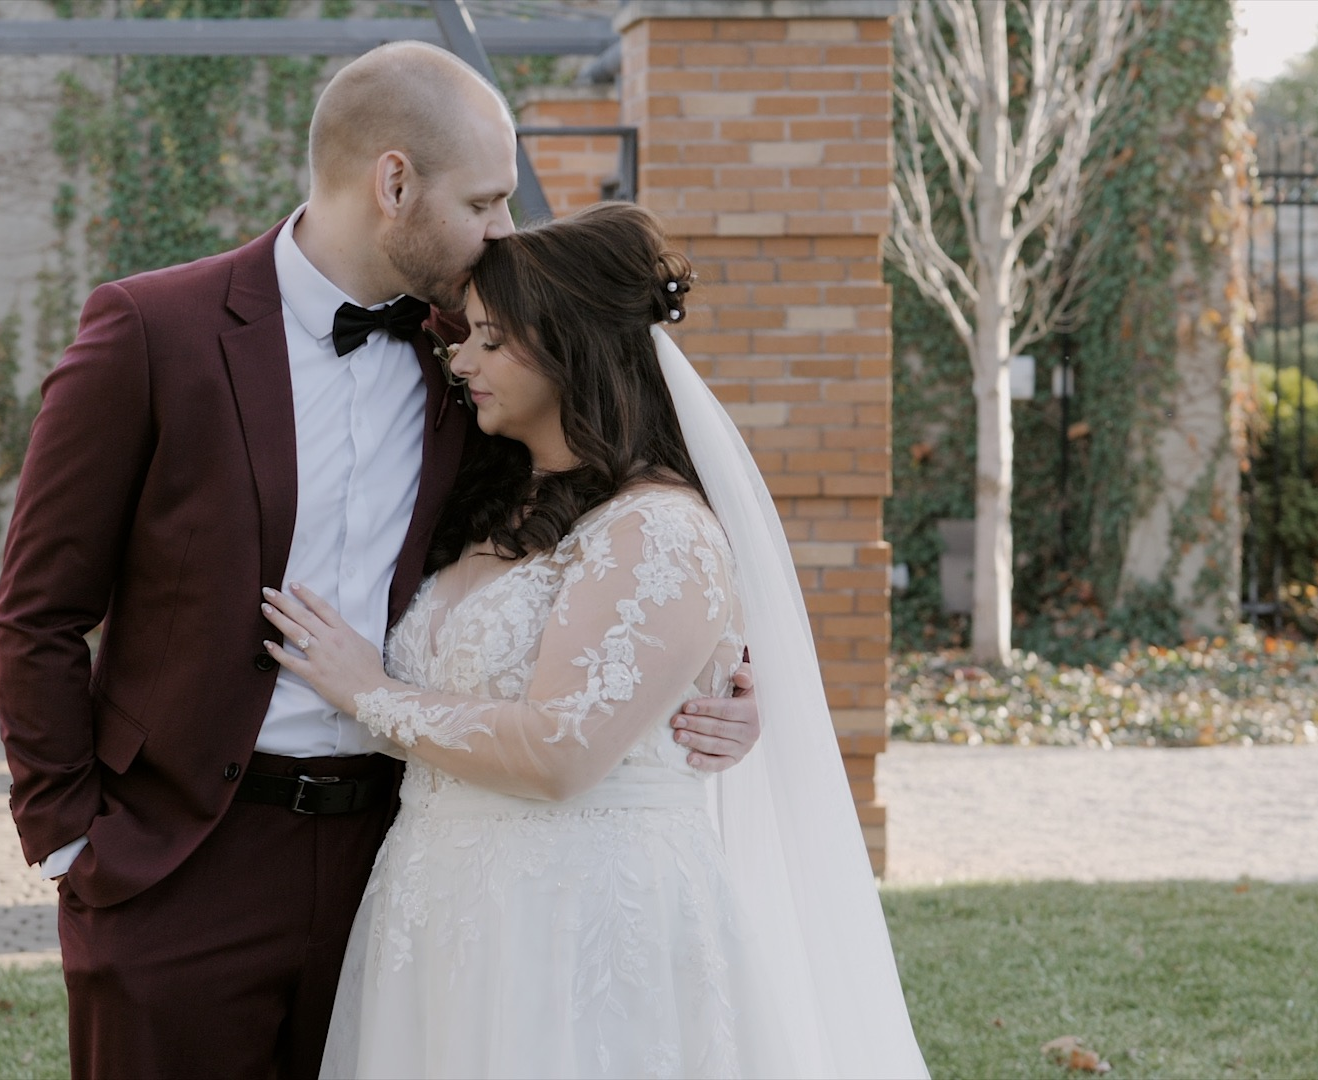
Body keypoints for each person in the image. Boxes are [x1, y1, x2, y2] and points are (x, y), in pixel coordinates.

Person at [0, 42, 762, 1080]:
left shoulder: (483, 355)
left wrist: (715, 680)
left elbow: (600, 527)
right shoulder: (152, 332)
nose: (503, 229)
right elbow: (37, 610)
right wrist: (73, 841)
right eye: (485, 201)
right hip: (181, 863)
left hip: (401, 856)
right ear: (394, 182)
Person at [259, 202, 929, 1079]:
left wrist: (367, 690)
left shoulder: (658, 530)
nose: (461, 360)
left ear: (571, 347)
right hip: (438, 903)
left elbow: (563, 751)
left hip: (581, 915)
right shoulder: (494, 500)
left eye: (492, 341)